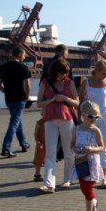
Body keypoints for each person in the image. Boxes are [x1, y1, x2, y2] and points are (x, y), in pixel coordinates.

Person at [36, 59, 79, 192]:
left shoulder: (69, 83)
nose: (62, 76)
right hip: (50, 119)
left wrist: (65, 99)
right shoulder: (45, 83)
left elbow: (77, 102)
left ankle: (68, 179)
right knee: (50, 152)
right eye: (60, 73)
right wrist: (52, 100)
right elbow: (38, 103)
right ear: (54, 72)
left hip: (67, 119)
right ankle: (49, 184)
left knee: (68, 151)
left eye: (64, 73)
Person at [79, 60, 106, 188]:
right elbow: (80, 101)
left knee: (105, 147)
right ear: (97, 70)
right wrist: (80, 118)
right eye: (104, 72)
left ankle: (104, 177)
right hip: (90, 119)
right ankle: (94, 174)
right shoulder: (86, 82)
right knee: (91, 147)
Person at [72, 100, 104, 211]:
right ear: (83, 115)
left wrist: (92, 149)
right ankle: (94, 203)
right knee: (83, 188)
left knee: (88, 188)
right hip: (80, 161)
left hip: (92, 163)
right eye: (90, 116)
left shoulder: (96, 131)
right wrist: (75, 149)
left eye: (96, 117)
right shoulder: (77, 129)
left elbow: (102, 147)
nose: (93, 119)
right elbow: (72, 144)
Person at [0, 46, 31, 157]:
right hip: (20, 99)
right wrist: (27, 96)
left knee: (17, 121)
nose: (25, 56)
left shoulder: (3, 67)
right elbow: (28, 85)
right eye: (24, 54)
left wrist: (5, 92)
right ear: (20, 54)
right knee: (14, 123)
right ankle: (5, 148)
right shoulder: (23, 67)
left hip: (9, 99)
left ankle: (24, 144)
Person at [32, 116, 46, 181]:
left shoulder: (52, 121)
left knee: (48, 160)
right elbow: (35, 134)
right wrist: (37, 141)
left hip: (49, 144)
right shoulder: (39, 122)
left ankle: (47, 174)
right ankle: (37, 174)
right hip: (41, 144)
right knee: (38, 160)